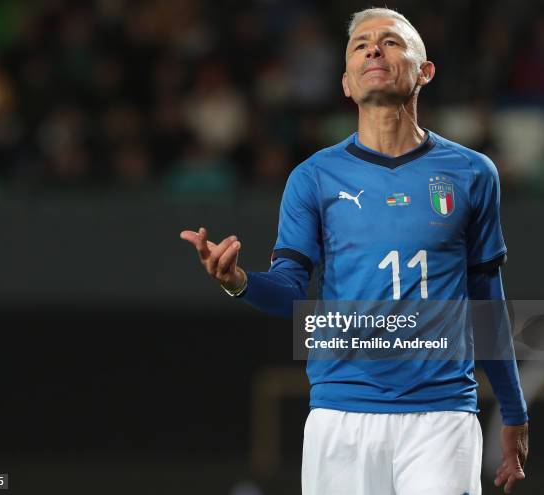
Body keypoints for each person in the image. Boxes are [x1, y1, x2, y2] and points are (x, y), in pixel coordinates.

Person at [180, 7, 528, 495]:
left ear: (424, 71)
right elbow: (289, 294)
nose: (373, 48)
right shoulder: (313, 177)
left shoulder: (472, 173)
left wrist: (513, 411)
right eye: (360, 43)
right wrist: (239, 282)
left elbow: (486, 299)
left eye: (390, 40)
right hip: (341, 414)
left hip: (442, 414)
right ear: (346, 82)